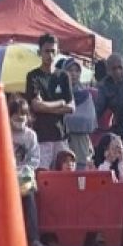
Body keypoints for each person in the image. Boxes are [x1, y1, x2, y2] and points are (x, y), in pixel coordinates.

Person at [24, 33, 74, 170]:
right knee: (43, 178)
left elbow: (71, 107)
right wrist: (60, 103)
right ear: (40, 52)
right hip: (42, 138)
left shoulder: (64, 76)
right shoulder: (33, 76)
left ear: (57, 52)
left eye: (53, 51)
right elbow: (35, 106)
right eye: (47, 51)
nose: (50, 55)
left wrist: (46, 106)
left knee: (64, 179)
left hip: (61, 137)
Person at [9, 97, 48, 246]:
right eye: (16, 115)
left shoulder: (30, 135)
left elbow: (34, 158)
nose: (20, 118)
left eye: (23, 115)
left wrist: (25, 170)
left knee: (29, 198)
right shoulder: (4, 132)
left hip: (24, 176)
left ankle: (33, 239)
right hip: (7, 176)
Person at [59, 57, 98, 169]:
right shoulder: (58, 92)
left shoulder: (85, 95)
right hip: (62, 141)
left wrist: (66, 116)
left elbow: (89, 120)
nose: (74, 74)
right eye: (70, 70)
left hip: (81, 143)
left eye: (77, 71)